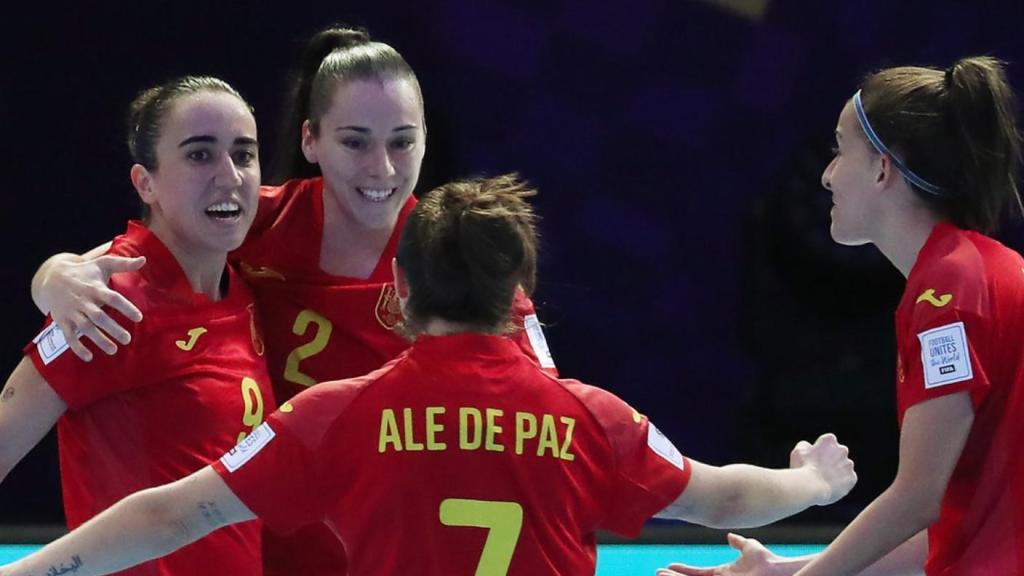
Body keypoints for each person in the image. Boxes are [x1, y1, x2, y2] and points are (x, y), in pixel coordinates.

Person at [1, 175, 856, 576]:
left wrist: (28, 575)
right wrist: (812, 482)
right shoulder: (593, 418)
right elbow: (721, 498)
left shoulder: (331, 415)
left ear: (401, 291)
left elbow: (172, 512)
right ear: (519, 295)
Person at [30, 27, 555, 575]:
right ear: (311, 141)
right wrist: (52, 276)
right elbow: (125, 262)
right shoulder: (257, 219)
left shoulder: (457, 264)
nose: (381, 168)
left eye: (402, 142)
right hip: (268, 553)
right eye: (355, 142)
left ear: (425, 139)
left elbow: (552, 421)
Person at [661, 56, 1024, 576]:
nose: (827, 176)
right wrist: (782, 571)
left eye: (839, 149)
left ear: (882, 168)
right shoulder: (978, 271)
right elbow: (953, 530)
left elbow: (916, 499)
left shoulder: (949, 293)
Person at [0, 76, 275, 575]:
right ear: (145, 183)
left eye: (244, 154)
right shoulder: (109, 300)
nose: (229, 175)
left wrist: (50, 271)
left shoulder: (245, 286)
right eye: (199, 155)